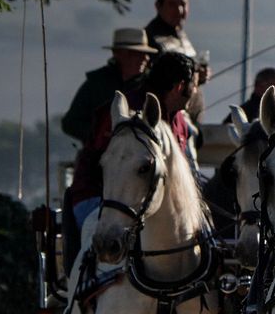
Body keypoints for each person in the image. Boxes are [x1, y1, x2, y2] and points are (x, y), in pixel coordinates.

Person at [63, 50, 201, 273]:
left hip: (149, 206)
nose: (196, 92)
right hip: (98, 196)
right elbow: (103, 163)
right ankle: (84, 293)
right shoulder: (124, 112)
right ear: (180, 86)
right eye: (194, 85)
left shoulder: (179, 122)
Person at [61, 28, 156, 147]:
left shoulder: (151, 86)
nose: (145, 58)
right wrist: (100, 135)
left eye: (145, 54)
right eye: (137, 53)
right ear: (119, 54)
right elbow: (70, 123)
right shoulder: (96, 84)